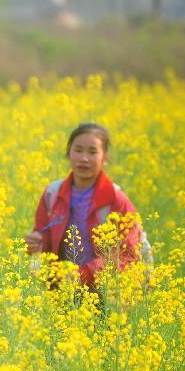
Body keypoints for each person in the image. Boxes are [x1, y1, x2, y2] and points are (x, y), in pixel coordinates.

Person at [24, 123, 146, 288]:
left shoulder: (116, 200)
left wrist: (83, 276)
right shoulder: (52, 194)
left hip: (107, 293)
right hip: (62, 291)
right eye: (78, 150)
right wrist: (35, 244)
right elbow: (45, 240)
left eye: (92, 152)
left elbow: (127, 255)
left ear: (105, 158)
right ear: (69, 153)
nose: (84, 158)